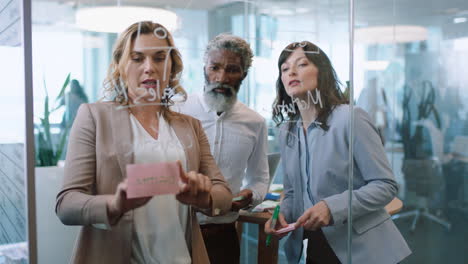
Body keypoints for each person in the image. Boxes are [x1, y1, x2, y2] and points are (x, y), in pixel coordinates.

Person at [55, 21, 232, 264]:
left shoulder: (190, 126)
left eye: (160, 58)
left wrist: (204, 198)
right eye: (137, 58)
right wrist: (115, 204)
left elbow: (223, 194)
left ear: (172, 66)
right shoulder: (94, 117)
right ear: (121, 66)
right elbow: (66, 204)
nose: (149, 68)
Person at [264, 41, 411, 264]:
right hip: (315, 244)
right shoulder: (288, 130)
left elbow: (385, 185)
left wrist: (332, 207)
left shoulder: (350, 117)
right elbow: (293, 192)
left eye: (302, 64)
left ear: (321, 73)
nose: (291, 71)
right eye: (284, 68)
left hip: (363, 249)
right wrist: (282, 216)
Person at [174, 34, 269, 264]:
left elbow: (260, 178)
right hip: (176, 232)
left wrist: (249, 196)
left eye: (232, 69)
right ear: (204, 68)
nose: (221, 77)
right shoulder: (177, 110)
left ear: (244, 74)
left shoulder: (254, 122)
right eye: (215, 67)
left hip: (223, 235)